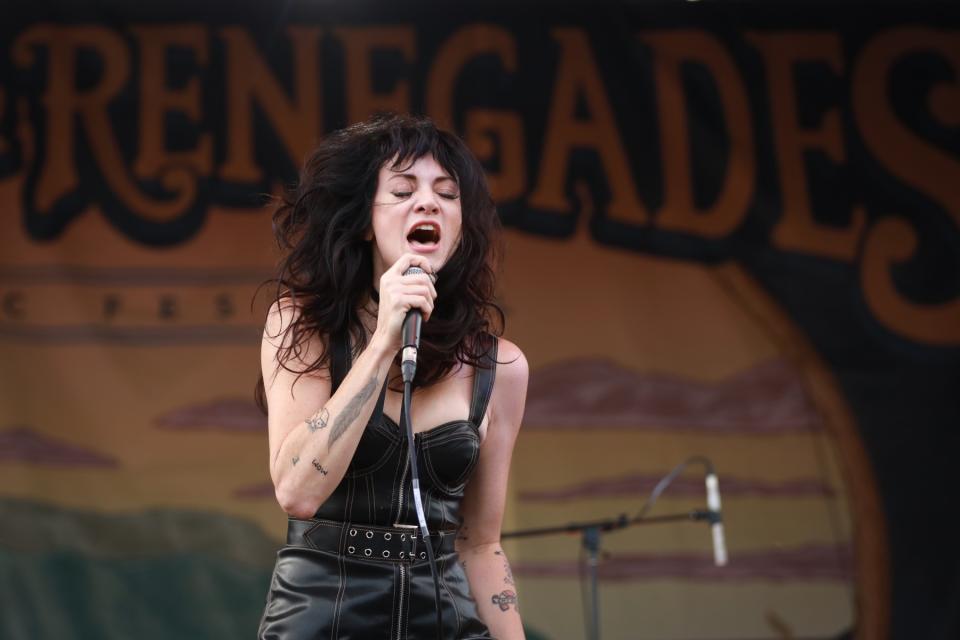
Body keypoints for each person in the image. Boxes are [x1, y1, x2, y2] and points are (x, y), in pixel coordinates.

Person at [255, 114, 528, 640]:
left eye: (447, 195)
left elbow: (480, 542)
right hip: (324, 614)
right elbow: (296, 491)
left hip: (443, 617)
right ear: (364, 221)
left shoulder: (501, 367)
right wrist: (383, 343)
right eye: (403, 190)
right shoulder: (302, 328)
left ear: (459, 229)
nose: (427, 203)